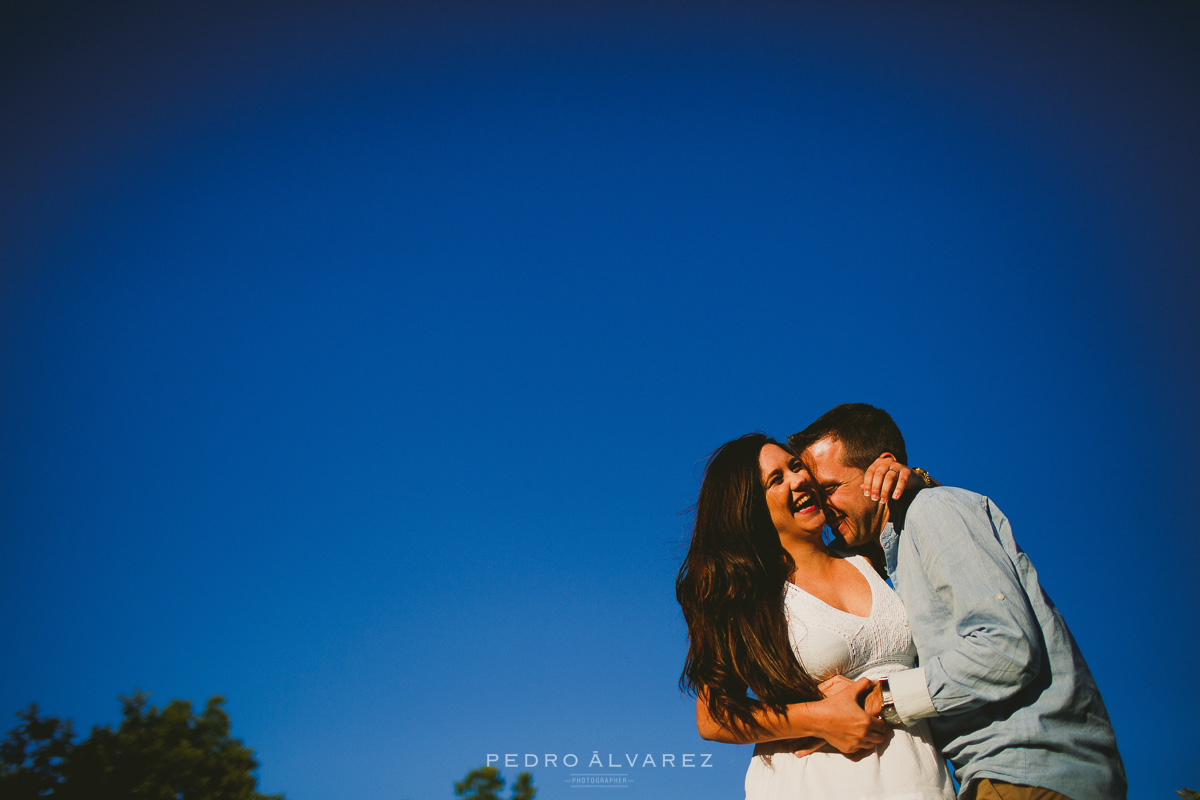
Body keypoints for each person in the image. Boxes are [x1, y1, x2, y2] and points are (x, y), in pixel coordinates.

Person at [790, 404, 1126, 800]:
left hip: (1027, 772)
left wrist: (878, 698)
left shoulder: (935, 512)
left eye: (829, 489)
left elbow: (1006, 649)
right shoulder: (896, 549)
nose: (822, 508)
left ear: (882, 469)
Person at [676, 433, 956, 799]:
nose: (798, 480)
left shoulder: (871, 557)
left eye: (795, 466)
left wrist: (912, 479)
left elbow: (940, 534)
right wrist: (818, 717)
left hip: (917, 781)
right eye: (776, 480)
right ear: (750, 509)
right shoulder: (748, 598)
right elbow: (713, 718)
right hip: (809, 784)